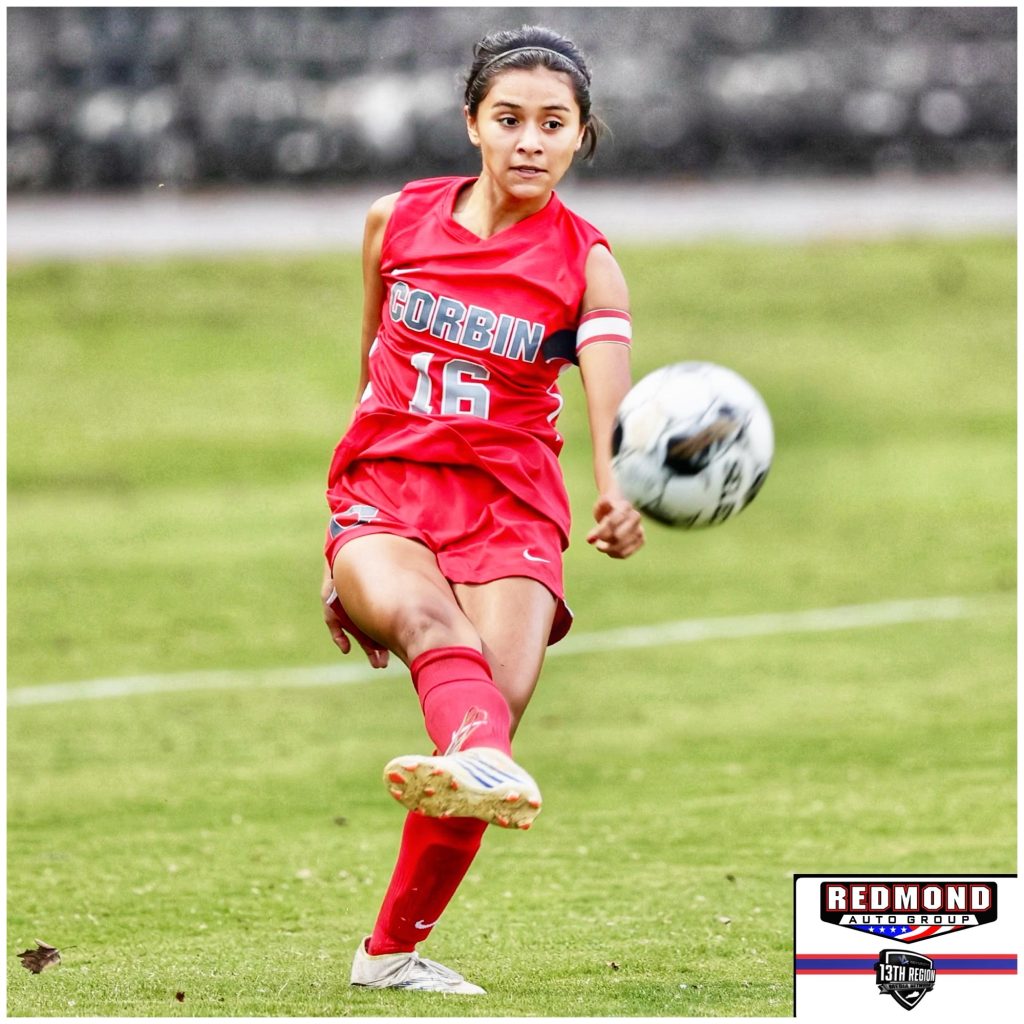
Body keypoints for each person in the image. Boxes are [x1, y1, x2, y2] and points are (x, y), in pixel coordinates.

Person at [320, 24, 644, 995]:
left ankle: (388, 956)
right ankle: (478, 759)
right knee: (432, 633)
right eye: (509, 119)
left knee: (486, 716)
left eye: (553, 123)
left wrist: (617, 489)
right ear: (472, 123)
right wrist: (346, 553)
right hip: (386, 490)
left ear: (580, 135)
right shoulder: (396, 221)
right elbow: (372, 363)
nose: (529, 141)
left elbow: (609, 395)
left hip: (509, 507)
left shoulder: (586, 264)